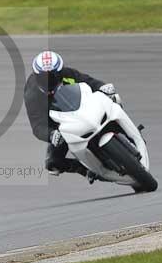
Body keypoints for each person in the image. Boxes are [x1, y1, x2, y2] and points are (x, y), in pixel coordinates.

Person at [23, 51, 122, 182]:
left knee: (114, 99)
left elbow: (88, 81)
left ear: (60, 72)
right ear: (36, 77)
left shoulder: (67, 74)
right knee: (53, 164)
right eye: (43, 78)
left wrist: (103, 87)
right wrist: (51, 135)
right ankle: (86, 170)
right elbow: (37, 126)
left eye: (52, 76)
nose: (48, 81)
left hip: (83, 108)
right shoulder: (32, 95)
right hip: (61, 127)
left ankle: (126, 129)